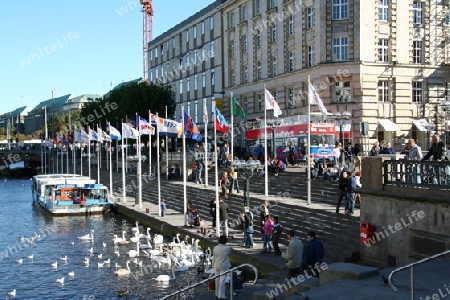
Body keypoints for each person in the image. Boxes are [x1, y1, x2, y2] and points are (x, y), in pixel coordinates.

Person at [212, 235, 231, 300]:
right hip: (224, 265)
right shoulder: (227, 248)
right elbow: (229, 253)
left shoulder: (215, 248)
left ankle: (216, 294)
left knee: (217, 279)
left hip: (216, 264)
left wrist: (213, 265)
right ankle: (221, 295)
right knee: (222, 280)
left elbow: (214, 257)